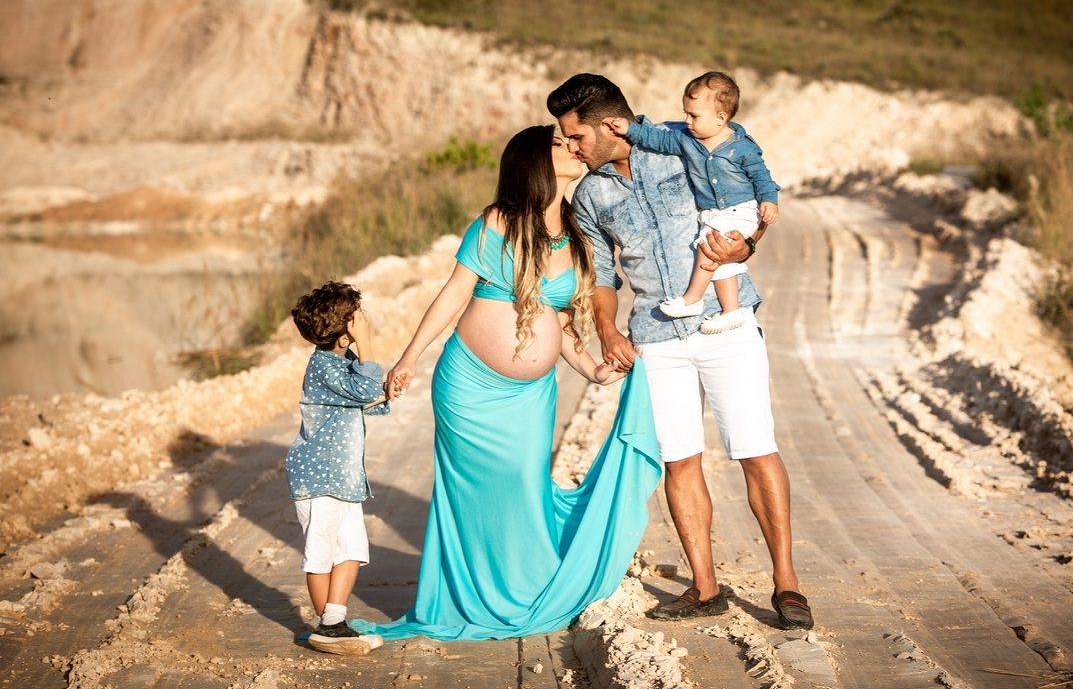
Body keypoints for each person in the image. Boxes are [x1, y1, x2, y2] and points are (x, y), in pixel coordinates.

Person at [355, 125, 663, 641]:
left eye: (571, 142)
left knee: (521, 488)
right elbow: (454, 295)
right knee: (476, 496)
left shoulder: (576, 230)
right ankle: (470, 597)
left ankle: (520, 587)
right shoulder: (496, 221)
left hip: (531, 396)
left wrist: (590, 368)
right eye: (559, 144)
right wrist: (408, 358)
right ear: (532, 162)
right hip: (470, 388)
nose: (572, 146)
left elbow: (562, 321)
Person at [548, 74, 814, 630]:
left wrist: (749, 243)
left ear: (607, 125)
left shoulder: (685, 139)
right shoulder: (590, 194)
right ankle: (705, 584)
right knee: (680, 459)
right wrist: (606, 327)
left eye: (576, 136)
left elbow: (747, 201)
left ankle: (786, 584)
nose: (571, 148)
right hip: (653, 336)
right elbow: (601, 275)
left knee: (754, 448)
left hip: (725, 321)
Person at [604, 71, 779, 335]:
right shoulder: (687, 140)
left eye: (694, 116)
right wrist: (630, 129)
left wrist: (770, 200)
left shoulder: (742, 147)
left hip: (741, 208)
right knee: (721, 258)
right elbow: (658, 139)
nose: (686, 121)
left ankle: (692, 299)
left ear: (721, 118)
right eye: (685, 113)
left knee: (709, 247)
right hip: (713, 212)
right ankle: (731, 310)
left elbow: (761, 176)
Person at [286, 281, 389, 656]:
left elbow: (365, 398)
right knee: (321, 552)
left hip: (343, 479)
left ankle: (335, 618)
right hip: (318, 479)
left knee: (351, 549)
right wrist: (367, 343)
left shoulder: (341, 362)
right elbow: (361, 391)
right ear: (343, 331)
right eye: (356, 315)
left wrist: (387, 390)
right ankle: (327, 624)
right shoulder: (323, 365)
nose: (363, 319)